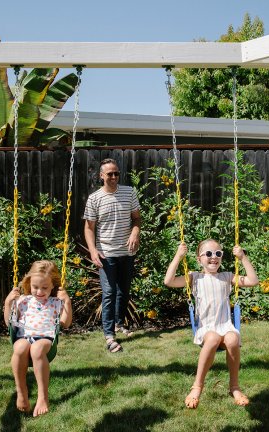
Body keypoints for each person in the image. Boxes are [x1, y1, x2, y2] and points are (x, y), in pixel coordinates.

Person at [164, 239, 259, 409]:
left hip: (225, 325)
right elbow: (169, 281)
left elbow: (253, 281)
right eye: (208, 254)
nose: (213, 257)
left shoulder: (227, 277)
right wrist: (178, 257)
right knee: (214, 338)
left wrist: (243, 257)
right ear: (199, 259)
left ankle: (235, 387)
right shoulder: (194, 277)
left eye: (218, 253)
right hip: (206, 328)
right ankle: (197, 386)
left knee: (232, 339)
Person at [83, 158, 141, 353]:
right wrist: (92, 250)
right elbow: (89, 228)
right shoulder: (95, 198)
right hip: (106, 253)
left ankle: (118, 324)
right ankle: (109, 335)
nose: (114, 177)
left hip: (127, 251)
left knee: (123, 291)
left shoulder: (129, 192)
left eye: (116, 173)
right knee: (109, 293)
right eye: (110, 174)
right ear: (101, 176)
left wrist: (135, 232)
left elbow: (136, 219)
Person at [4, 260, 72, 417]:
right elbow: (9, 323)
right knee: (19, 347)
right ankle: (21, 392)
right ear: (29, 283)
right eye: (35, 287)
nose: (39, 291)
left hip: (45, 337)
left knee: (36, 349)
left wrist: (66, 302)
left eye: (44, 288)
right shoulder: (23, 300)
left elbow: (65, 323)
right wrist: (8, 303)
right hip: (24, 336)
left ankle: (43, 397)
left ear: (53, 285)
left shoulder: (56, 302)